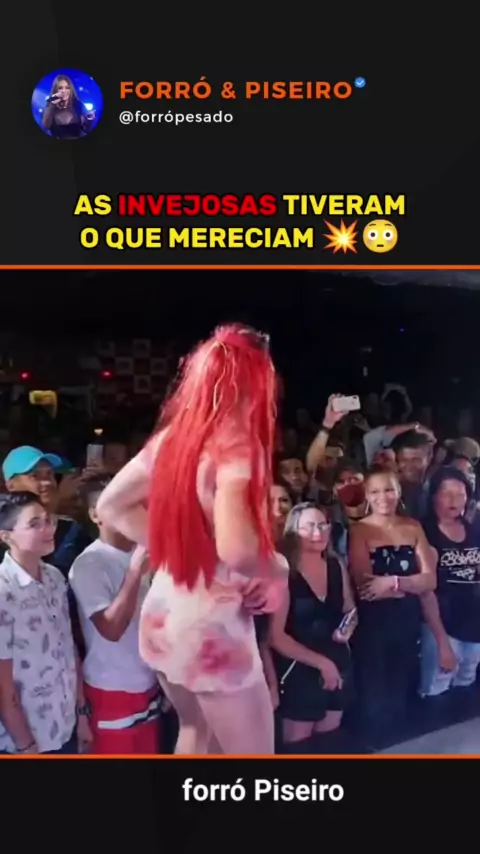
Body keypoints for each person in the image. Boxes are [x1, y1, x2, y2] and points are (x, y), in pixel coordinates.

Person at [96, 324, 289, 755]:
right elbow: (237, 551)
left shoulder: (172, 439)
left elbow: (111, 506)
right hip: (210, 628)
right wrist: (278, 567)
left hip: (164, 616)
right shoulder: (238, 445)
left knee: (195, 732)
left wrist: (180, 548)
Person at [69, 478, 160, 754]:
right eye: (118, 506)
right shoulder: (89, 564)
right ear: (95, 514)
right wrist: (134, 573)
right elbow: (110, 629)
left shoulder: (144, 552)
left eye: (133, 505)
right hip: (111, 689)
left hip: (151, 684)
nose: (128, 513)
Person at [0, 492, 92, 754]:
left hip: (65, 725)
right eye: (34, 524)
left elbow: (68, 648)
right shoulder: (4, 591)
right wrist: (25, 745)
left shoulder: (54, 577)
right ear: (6, 536)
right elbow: (3, 687)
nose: (48, 529)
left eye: (47, 520)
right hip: (26, 740)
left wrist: (81, 713)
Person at [349, 467, 436, 741]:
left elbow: (430, 580)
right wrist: (410, 584)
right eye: (375, 491)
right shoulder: (359, 530)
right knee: (374, 701)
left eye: (389, 489)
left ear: (398, 492)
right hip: (373, 626)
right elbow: (366, 587)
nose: (383, 497)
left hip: (407, 621)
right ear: (366, 495)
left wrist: (393, 583)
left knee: (401, 695)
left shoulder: (413, 526)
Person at [270, 503, 356, 752]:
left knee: (329, 741)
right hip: (299, 669)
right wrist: (322, 664)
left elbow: (350, 610)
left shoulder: (335, 565)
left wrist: (347, 628)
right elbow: (275, 636)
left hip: (337, 662)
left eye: (322, 525)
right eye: (309, 527)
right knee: (299, 746)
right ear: (293, 532)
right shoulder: (284, 572)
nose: (318, 532)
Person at [420, 468, 480, 697]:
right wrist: (441, 642)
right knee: (436, 689)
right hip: (442, 624)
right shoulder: (424, 532)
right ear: (434, 495)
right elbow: (427, 592)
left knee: (465, 687)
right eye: (447, 493)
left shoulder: (473, 529)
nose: (455, 500)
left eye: (461, 494)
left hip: (473, 623)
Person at [41, 74, 96, 139]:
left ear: (71, 90)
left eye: (67, 88)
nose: (64, 91)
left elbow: (86, 129)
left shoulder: (78, 105)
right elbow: (46, 126)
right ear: (55, 90)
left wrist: (89, 120)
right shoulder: (50, 107)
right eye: (60, 88)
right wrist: (52, 104)